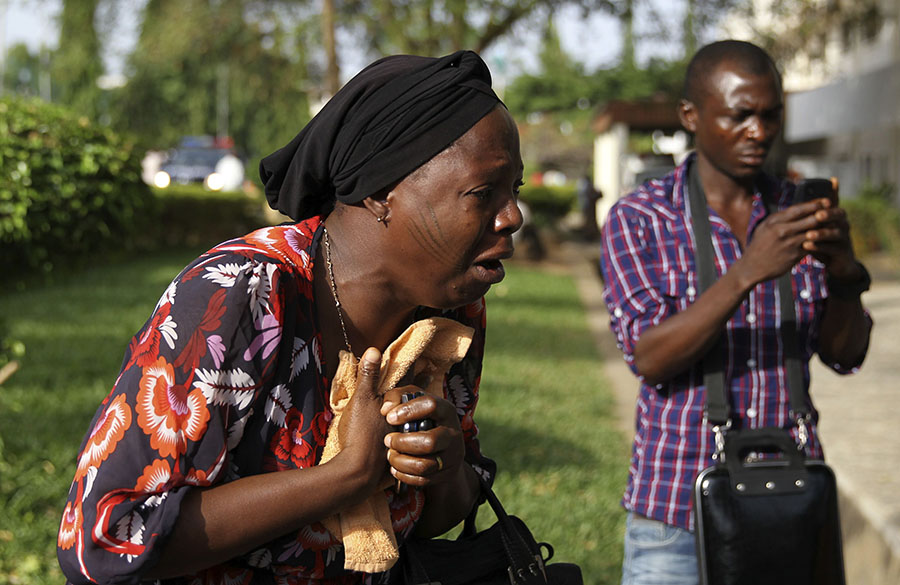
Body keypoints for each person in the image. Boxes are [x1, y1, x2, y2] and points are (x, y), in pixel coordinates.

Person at [57, 50, 524, 585]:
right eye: (484, 193)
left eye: (515, 191)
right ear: (380, 190)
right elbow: (103, 542)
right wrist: (345, 476)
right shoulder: (237, 295)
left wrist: (442, 467)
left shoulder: (452, 309)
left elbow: (439, 518)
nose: (512, 216)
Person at [599, 40, 872, 584]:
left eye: (771, 115)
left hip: (789, 496)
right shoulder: (641, 218)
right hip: (674, 510)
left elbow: (845, 355)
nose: (759, 131)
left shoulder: (797, 211)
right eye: (739, 115)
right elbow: (649, 356)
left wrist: (844, 274)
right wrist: (748, 271)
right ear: (691, 116)